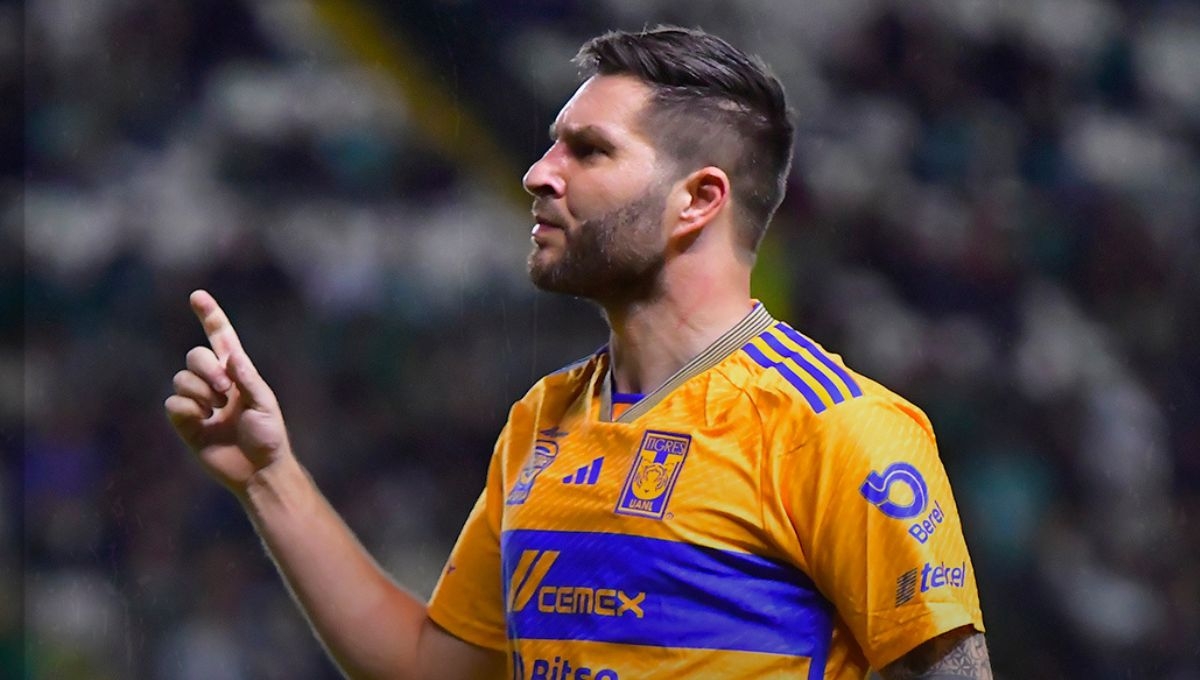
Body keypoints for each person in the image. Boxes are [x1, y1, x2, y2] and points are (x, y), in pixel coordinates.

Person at [166, 26, 990, 680]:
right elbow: (429, 667)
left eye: (588, 150)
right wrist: (269, 477)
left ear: (698, 200)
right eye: (551, 145)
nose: (538, 173)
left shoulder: (833, 429)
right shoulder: (542, 420)